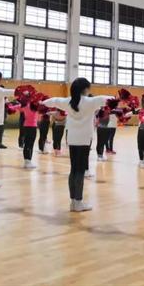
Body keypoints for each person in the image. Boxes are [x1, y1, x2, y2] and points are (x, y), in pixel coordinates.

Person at [43, 78, 113, 212]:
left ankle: (73, 202)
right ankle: (78, 202)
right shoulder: (90, 101)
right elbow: (108, 99)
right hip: (84, 139)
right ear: (85, 89)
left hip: (72, 138)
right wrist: (120, 99)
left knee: (74, 170)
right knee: (80, 171)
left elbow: (53, 101)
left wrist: (41, 102)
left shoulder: (68, 101)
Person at [16, 101, 39, 169]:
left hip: (26, 126)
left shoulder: (25, 106)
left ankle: (28, 161)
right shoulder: (34, 105)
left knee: (27, 144)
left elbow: (16, 107)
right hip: (32, 127)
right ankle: (27, 161)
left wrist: (10, 106)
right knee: (30, 144)